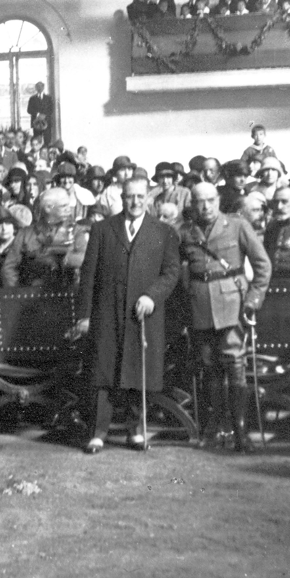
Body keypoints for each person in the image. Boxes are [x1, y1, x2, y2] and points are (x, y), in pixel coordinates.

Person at [69, 177, 181, 453]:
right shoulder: (102, 229)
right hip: (106, 312)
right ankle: (98, 433)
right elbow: (88, 275)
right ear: (122, 198)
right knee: (102, 372)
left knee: (138, 371)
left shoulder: (163, 232)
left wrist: (152, 296)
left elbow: (171, 273)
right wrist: (84, 315)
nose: (135, 202)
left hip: (142, 314)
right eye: (130, 196)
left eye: (140, 196)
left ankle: (136, 430)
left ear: (148, 199)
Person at [180, 182, 272, 452]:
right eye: (199, 201)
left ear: (218, 200)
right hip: (199, 305)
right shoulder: (185, 233)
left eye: (210, 200)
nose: (205, 206)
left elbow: (262, 265)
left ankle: (241, 430)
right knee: (208, 365)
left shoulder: (237, 225)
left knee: (234, 362)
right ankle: (213, 428)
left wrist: (253, 300)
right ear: (192, 204)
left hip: (233, 304)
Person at [0, 187, 89, 289]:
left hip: (66, 295)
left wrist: (61, 258)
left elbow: (85, 259)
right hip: (31, 298)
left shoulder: (76, 231)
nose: (68, 209)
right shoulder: (26, 234)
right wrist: (18, 295)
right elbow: (9, 268)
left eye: (68, 205)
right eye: (63, 206)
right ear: (48, 208)